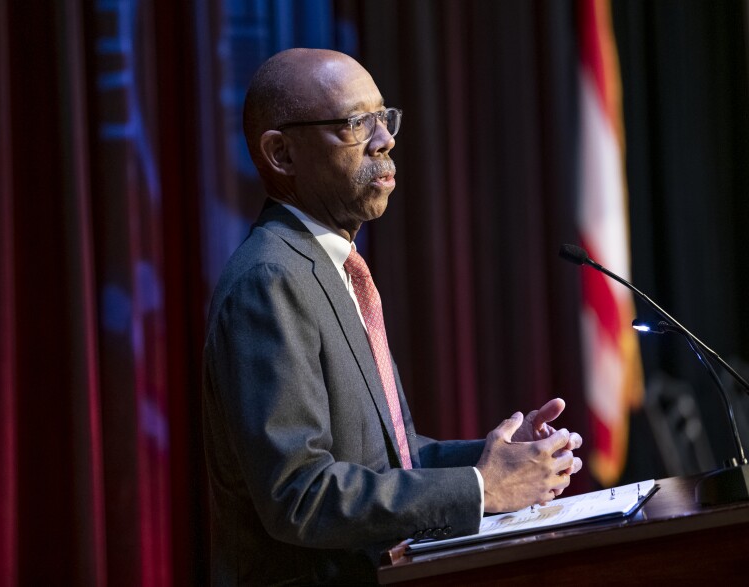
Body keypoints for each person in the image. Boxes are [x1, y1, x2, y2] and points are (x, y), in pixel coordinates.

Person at [202, 48, 583, 585]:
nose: (384, 140)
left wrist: (494, 459)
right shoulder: (270, 280)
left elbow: (389, 459)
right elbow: (300, 494)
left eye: (384, 117)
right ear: (281, 153)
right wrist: (480, 489)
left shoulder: (330, 268)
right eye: (357, 124)